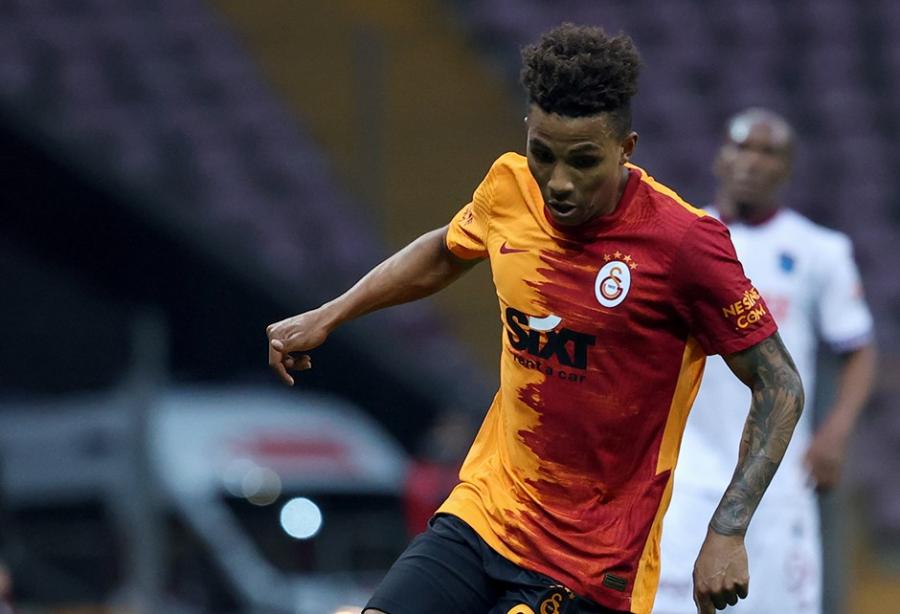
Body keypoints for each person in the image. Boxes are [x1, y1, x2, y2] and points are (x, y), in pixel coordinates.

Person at [266, 25, 804, 614]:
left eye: (584, 161)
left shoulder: (685, 244)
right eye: (543, 154)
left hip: (591, 562)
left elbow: (780, 384)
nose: (559, 182)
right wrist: (330, 314)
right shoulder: (509, 188)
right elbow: (446, 250)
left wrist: (727, 529)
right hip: (484, 511)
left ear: (626, 147)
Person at [654, 108, 877, 614]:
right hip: (689, 472)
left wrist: (837, 431)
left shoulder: (820, 250)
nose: (752, 162)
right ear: (719, 157)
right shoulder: (682, 239)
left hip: (779, 478)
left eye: (768, 152)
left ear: (787, 168)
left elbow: (858, 347)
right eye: (742, 147)